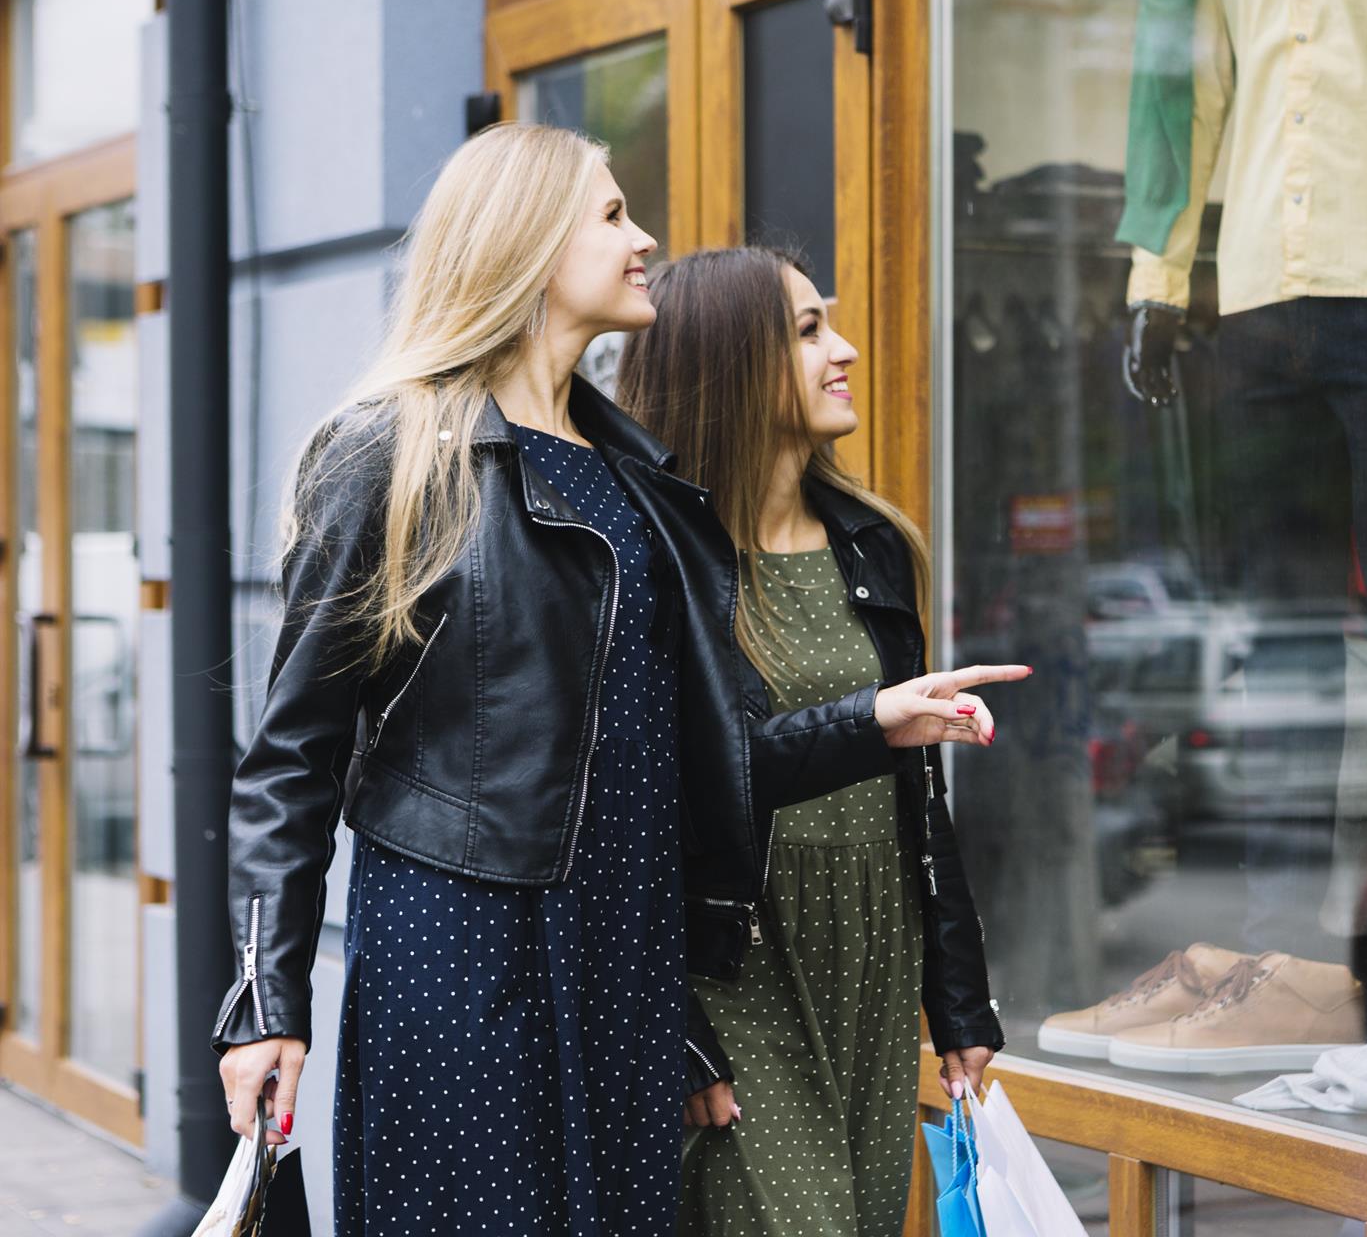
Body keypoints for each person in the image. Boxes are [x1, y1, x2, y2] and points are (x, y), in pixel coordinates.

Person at [212, 124, 1023, 1236]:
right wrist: (266, 1002)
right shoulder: (393, 453)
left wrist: (869, 723)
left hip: (624, 971)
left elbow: (685, 755)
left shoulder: (637, 478)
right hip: (466, 959)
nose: (643, 238)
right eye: (610, 215)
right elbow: (290, 760)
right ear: (530, 242)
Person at [618, 247, 1007, 1236]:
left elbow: (922, 803)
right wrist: (677, 1032)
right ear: (730, 363)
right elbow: (649, 804)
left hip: (874, 946)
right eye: (807, 330)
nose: (847, 348)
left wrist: (960, 1003)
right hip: (742, 959)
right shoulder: (653, 565)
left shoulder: (873, 542)